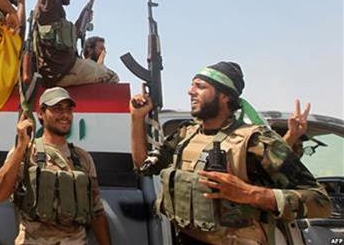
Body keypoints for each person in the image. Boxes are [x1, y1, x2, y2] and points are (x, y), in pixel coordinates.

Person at [130, 61, 332, 244]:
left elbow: (320, 201)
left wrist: (248, 193)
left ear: (225, 95)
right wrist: (137, 119)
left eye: (200, 86)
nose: (190, 92)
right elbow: (143, 166)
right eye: (192, 86)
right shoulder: (185, 134)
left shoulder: (255, 140)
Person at [0, 87, 112, 245]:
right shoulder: (26, 152)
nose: (65, 115)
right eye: (57, 109)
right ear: (41, 113)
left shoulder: (82, 158)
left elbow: (97, 212)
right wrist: (21, 147)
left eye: (68, 109)